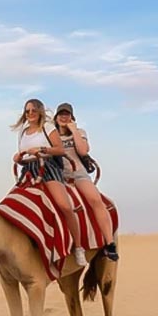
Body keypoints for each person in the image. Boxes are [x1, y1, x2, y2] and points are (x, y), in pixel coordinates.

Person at [12, 98, 87, 266]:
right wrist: (18, 158)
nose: (30, 113)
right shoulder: (23, 132)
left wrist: (42, 150)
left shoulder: (48, 127)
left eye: (33, 110)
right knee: (10, 204)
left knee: (65, 206)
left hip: (47, 168)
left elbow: (59, 150)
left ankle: (79, 247)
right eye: (27, 111)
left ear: (40, 112)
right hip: (28, 170)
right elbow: (24, 155)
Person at [54, 102, 119, 261]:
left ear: (72, 117)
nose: (64, 117)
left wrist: (74, 130)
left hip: (78, 175)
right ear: (56, 117)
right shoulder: (51, 135)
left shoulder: (79, 132)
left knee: (96, 200)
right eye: (61, 114)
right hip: (58, 176)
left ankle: (109, 244)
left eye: (67, 114)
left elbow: (83, 150)